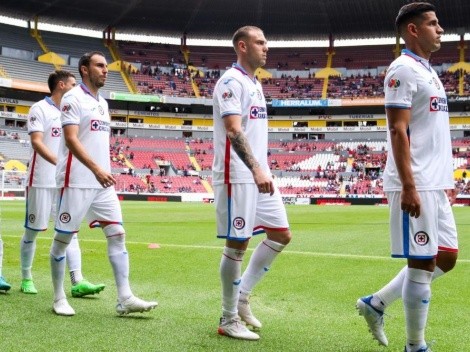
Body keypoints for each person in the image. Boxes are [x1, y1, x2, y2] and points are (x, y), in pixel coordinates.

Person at [356, 3, 458, 352]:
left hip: (435, 182)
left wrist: (446, 177)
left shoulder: (428, 71)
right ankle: (416, 346)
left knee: (446, 257)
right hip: (414, 182)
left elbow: (430, 130)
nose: (440, 29)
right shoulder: (401, 70)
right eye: (433, 23)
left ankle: (376, 303)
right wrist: (410, 185)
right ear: (413, 30)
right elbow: (398, 130)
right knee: (423, 261)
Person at [50, 51, 158, 316]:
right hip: (75, 180)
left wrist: (103, 171)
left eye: (106, 66)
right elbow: (71, 139)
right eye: (99, 65)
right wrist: (97, 169)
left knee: (118, 234)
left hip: (102, 182)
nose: (105, 70)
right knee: (64, 239)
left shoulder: (102, 103)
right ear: (85, 69)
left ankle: (125, 298)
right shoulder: (72, 98)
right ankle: (58, 297)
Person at [212, 26, 291, 341]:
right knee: (237, 243)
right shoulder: (230, 82)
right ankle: (228, 318)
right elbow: (233, 130)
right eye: (260, 42)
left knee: (281, 234)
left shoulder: (254, 84)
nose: (266, 48)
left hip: (258, 173)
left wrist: (263, 169)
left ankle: (242, 296)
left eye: (266, 42)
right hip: (238, 173)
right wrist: (258, 168)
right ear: (242, 46)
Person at [21, 70, 105, 297]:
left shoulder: (74, 109)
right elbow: (37, 143)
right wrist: (59, 162)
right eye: (73, 83)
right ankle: (26, 277)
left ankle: (77, 281)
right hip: (40, 179)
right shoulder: (39, 109)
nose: (77, 87)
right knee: (32, 231)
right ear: (61, 85)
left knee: (70, 231)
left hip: (64, 181)